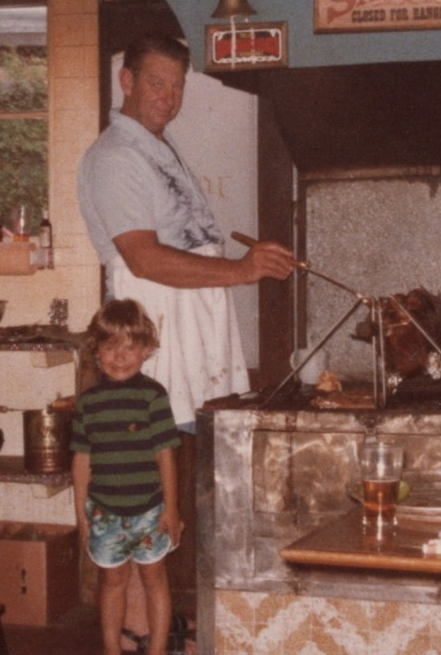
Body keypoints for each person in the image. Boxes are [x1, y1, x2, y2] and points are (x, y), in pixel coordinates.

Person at [78, 32, 296, 653]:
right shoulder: (117, 156)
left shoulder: (156, 148)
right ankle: (145, 634)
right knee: (151, 479)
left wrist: (246, 261)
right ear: (125, 80)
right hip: (155, 331)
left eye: (176, 86)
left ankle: (170, 627)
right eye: (156, 83)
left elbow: (185, 246)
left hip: (190, 325)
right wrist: (243, 270)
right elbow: (144, 260)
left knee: (188, 475)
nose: (168, 98)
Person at [70, 299, 183, 655]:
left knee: (155, 580)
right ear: (97, 351)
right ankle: (110, 649)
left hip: (150, 510)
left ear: (146, 349)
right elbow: (81, 461)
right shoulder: (88, 403)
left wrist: (172, 509)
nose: (119, 357)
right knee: (112, 582)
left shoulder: (152, 395)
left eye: (129, 347)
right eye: (109, 347)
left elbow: (166, 455)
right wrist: (81, 516)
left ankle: (158, 649)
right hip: (104, 512)